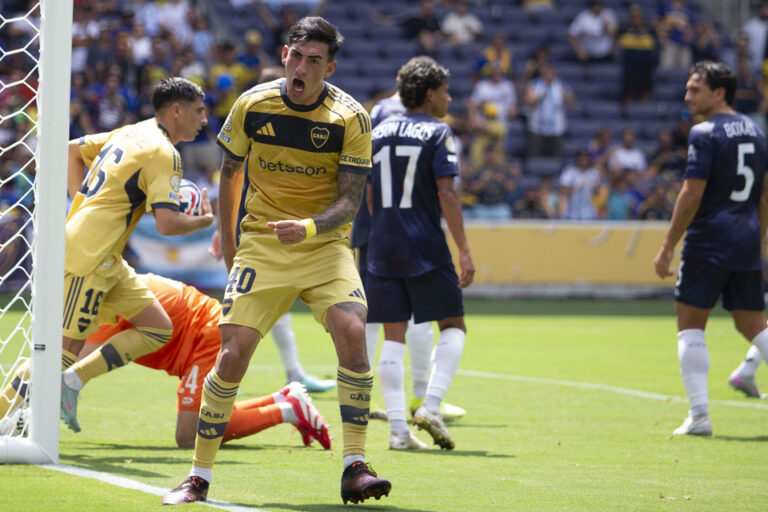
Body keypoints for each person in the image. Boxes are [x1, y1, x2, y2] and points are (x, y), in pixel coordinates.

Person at [162, 17, 391, 506]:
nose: (302, 67)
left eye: (314, 60)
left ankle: (355, 466)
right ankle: (198, 477)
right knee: (232, 354)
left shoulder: (350, 118)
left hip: (324, 245)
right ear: (285, 55)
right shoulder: (252, 104)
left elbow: (350, 201)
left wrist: (307, 228)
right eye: (296, 56)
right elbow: (230, 174)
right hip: (263, 244)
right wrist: (229, 243)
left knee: (353, 331)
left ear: (330, 67)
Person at [52, 78, 215, 435]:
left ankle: (73, 380)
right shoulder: (165, 153)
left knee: (158, 327)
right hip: (89, 256)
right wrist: (204, 221)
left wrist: (83, 203)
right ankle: (9, 411)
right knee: (62, 350)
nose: (204, 120)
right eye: (199, 111)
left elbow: (71, 150)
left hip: (108, 258)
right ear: (177, 110)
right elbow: (168, 224)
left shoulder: (131, 131)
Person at [76, 273, 330, 449]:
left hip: (206, 336)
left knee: (189, 436)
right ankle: (282, 399)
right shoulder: (112, 286)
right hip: (204, 331)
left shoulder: (104, 303)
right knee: (206, 416)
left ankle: (287, 410)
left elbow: (75, 369)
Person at [653, 61, 768, 436]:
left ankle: (699, 416)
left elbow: (691, 194)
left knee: (690, 324)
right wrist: (757, 240)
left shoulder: (704, 133)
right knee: (753, 324)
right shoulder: (757, 131)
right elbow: (765, 196)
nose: (687, 96)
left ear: (719, 93)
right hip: (746, 237)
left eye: (695, 89)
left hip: (708, 239)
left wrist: (668, 245)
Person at [366, 56, 475, 451]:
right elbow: (447, 192)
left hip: (382, 243)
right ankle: (430, 405)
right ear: (430, 94)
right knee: (453, 325)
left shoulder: (378, 131)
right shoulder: (438, 132)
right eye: (445, 91)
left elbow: (370, 192)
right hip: (424, 243)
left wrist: (384, 227)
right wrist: (463, 250)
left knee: (392, 337)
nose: (449, 99)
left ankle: (398, 431)